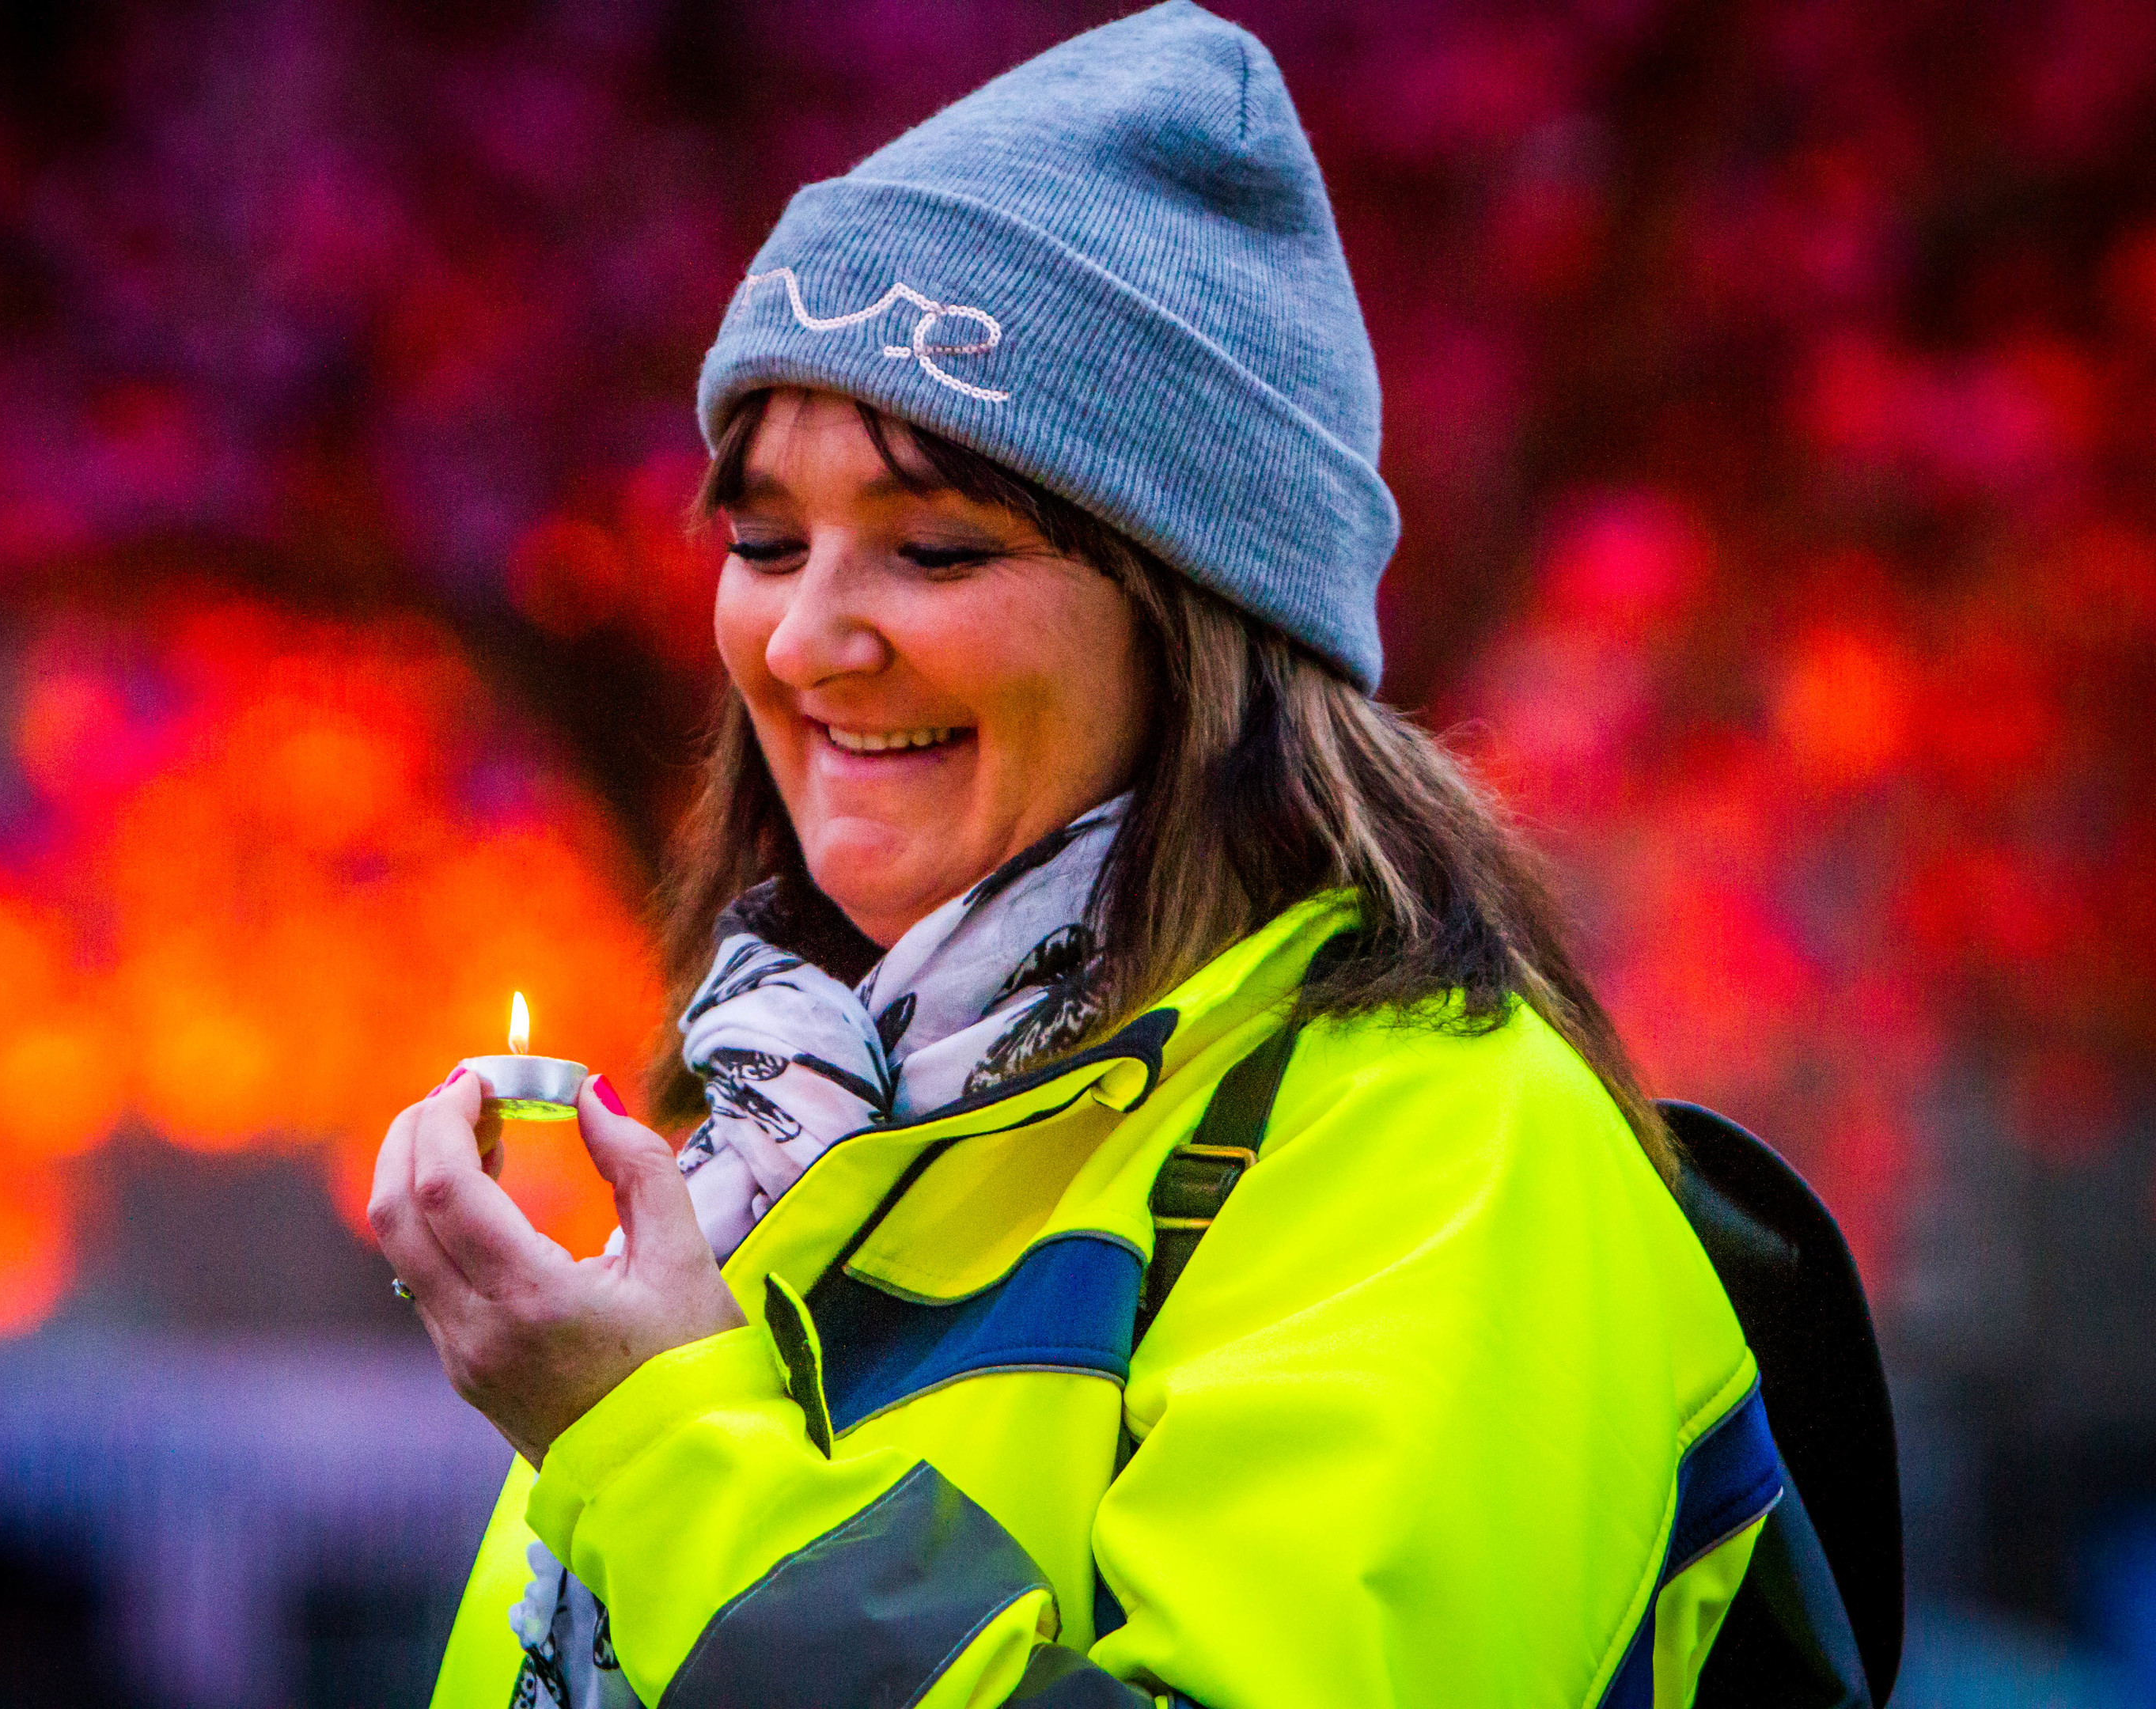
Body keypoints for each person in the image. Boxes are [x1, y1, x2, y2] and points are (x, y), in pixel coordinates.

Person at [369, 6, 1773, 1704]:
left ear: (1197, 620)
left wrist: (659, 1451)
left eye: (938, 547)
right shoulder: (768, 1152)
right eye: (764, 537)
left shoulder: (1446, 1155)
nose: (805, 641)